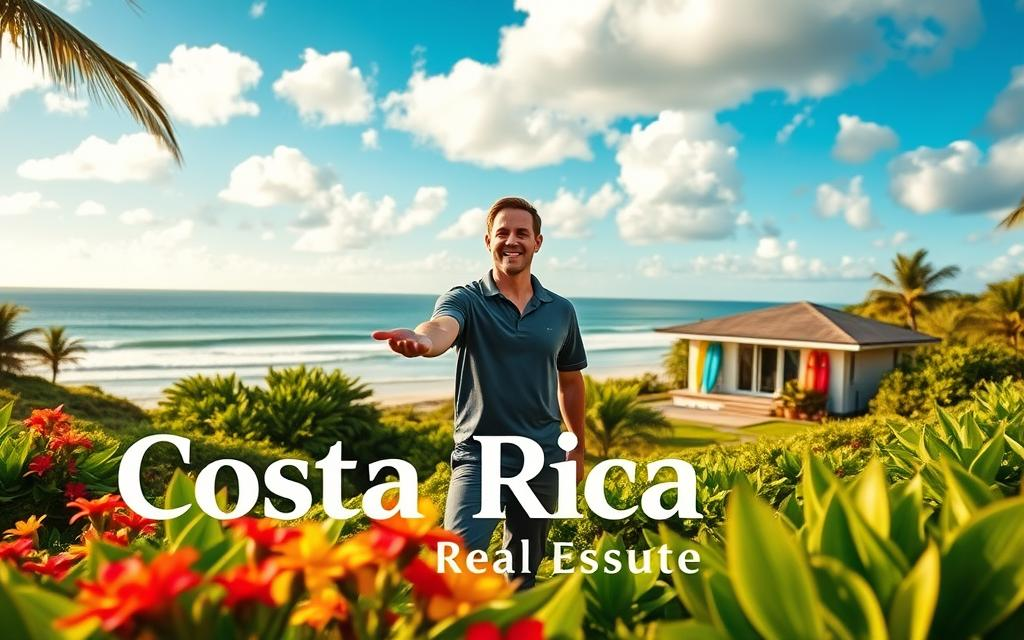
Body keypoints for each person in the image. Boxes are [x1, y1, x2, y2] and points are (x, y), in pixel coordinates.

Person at [372, 196, 587, 588]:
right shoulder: (466, 299)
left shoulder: (561, 310)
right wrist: (422, 340)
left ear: (538, 241)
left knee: (523, 575)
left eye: (522, 232)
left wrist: (577, 448)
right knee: (456, 566)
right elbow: (440, 328)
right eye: (502, 232)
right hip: (479, 458)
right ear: (487, 240)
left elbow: (570, 380)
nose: (512, 240)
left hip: (540, 459)